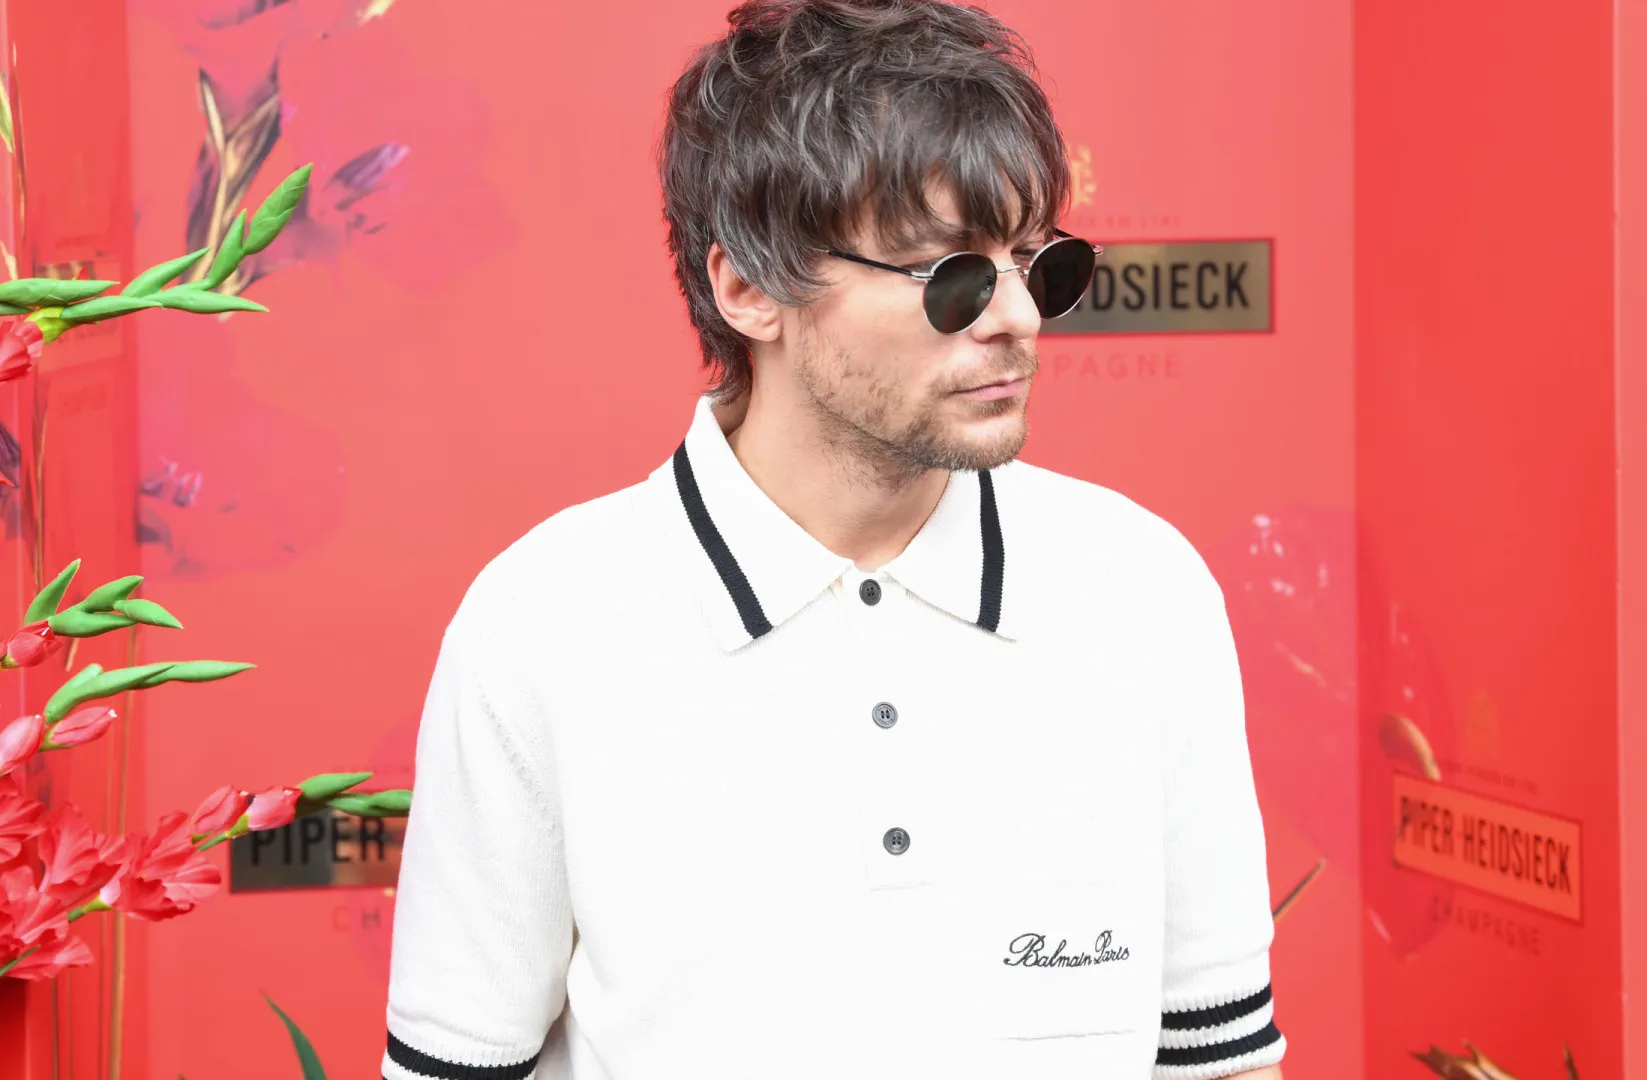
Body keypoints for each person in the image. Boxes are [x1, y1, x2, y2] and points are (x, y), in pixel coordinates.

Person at [379, 1, 1284, 1078]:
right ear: (749, 289)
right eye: (949, 277)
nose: (1017, 319)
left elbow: (1221, 1058)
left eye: (1037, 264)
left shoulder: (1143, 589)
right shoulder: (544, 626)